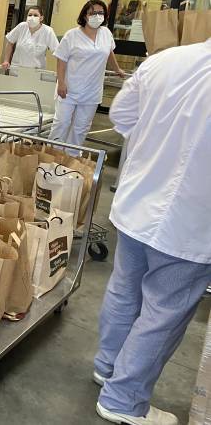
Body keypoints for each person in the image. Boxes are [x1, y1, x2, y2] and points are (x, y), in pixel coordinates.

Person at [93, 38, 211, 425]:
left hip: (138, 202)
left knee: (124, 290)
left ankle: (108, 368)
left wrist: (154, 145)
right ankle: (123, 400)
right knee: (163, 311)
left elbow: (122, 115)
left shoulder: (166, 61)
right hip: (189, 222)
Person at [48, 0, 125, 153]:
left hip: (92, 91)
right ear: (85, 15)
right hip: (69, 90)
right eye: (92, 13)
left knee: (81, 127)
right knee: (61, 124)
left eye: (100, 13)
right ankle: (52, 156)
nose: (97, 16)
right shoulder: (72, 35)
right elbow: (61, 59)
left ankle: (71, 157)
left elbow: (109, 52)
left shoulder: (106, 33)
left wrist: (117, 69)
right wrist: (61, 82)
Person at [1, 5, 59, 70]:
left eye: (35, 15)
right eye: (30, 15)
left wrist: (61, 71)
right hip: (17, 69)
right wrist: (6, 60)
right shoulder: (22, 26)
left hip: (36, 71)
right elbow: (10, 42)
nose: (32, 17)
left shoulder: (48, 31)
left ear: (41, 18)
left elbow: (57, 51)